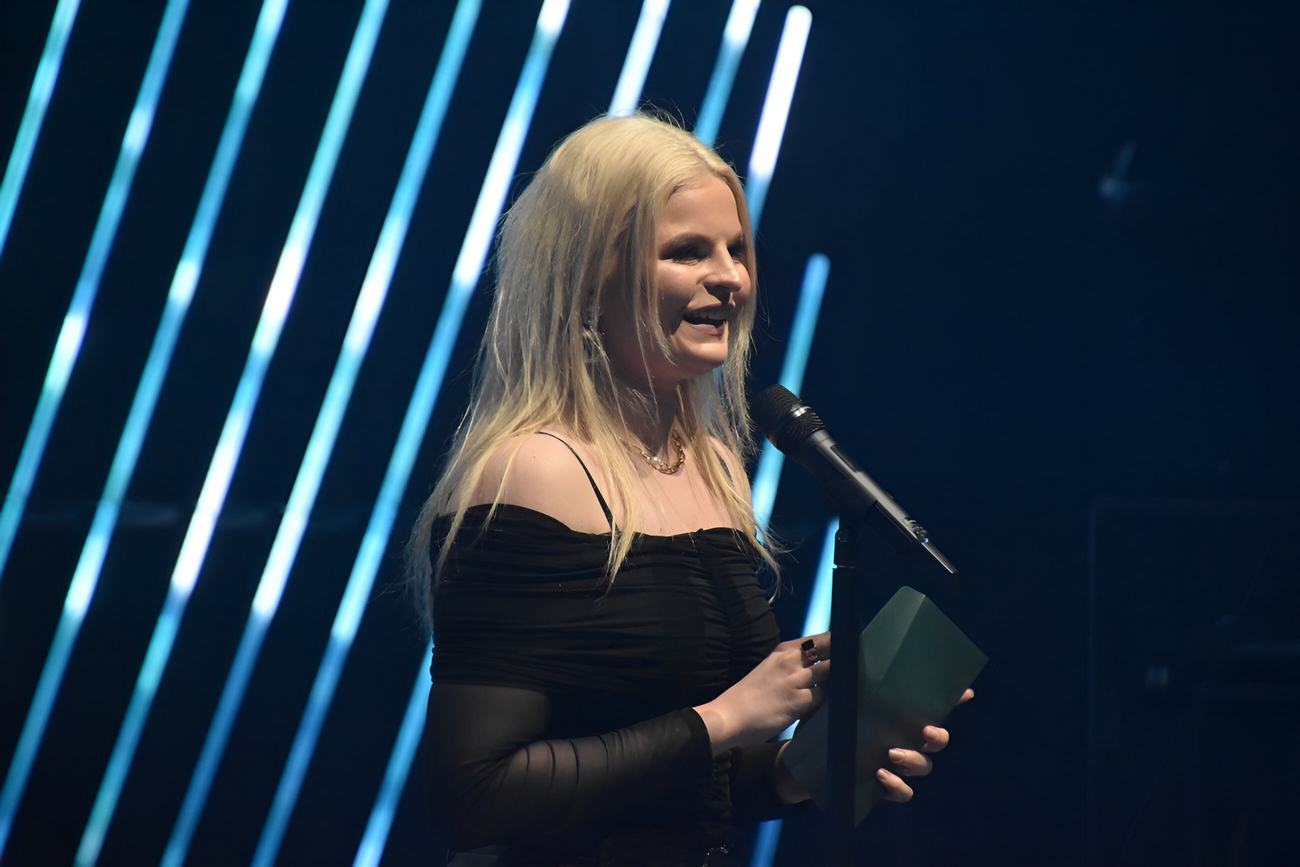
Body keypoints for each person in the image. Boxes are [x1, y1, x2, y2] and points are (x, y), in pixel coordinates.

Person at [409, 112, 964, 866]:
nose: (732, 277)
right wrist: (730, 715)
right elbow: (476, 795)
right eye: (687, 251)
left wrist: (814, 763)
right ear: (588, 274)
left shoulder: (715, 465)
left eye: (736, 249)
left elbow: (688, 787)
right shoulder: (535, 471)